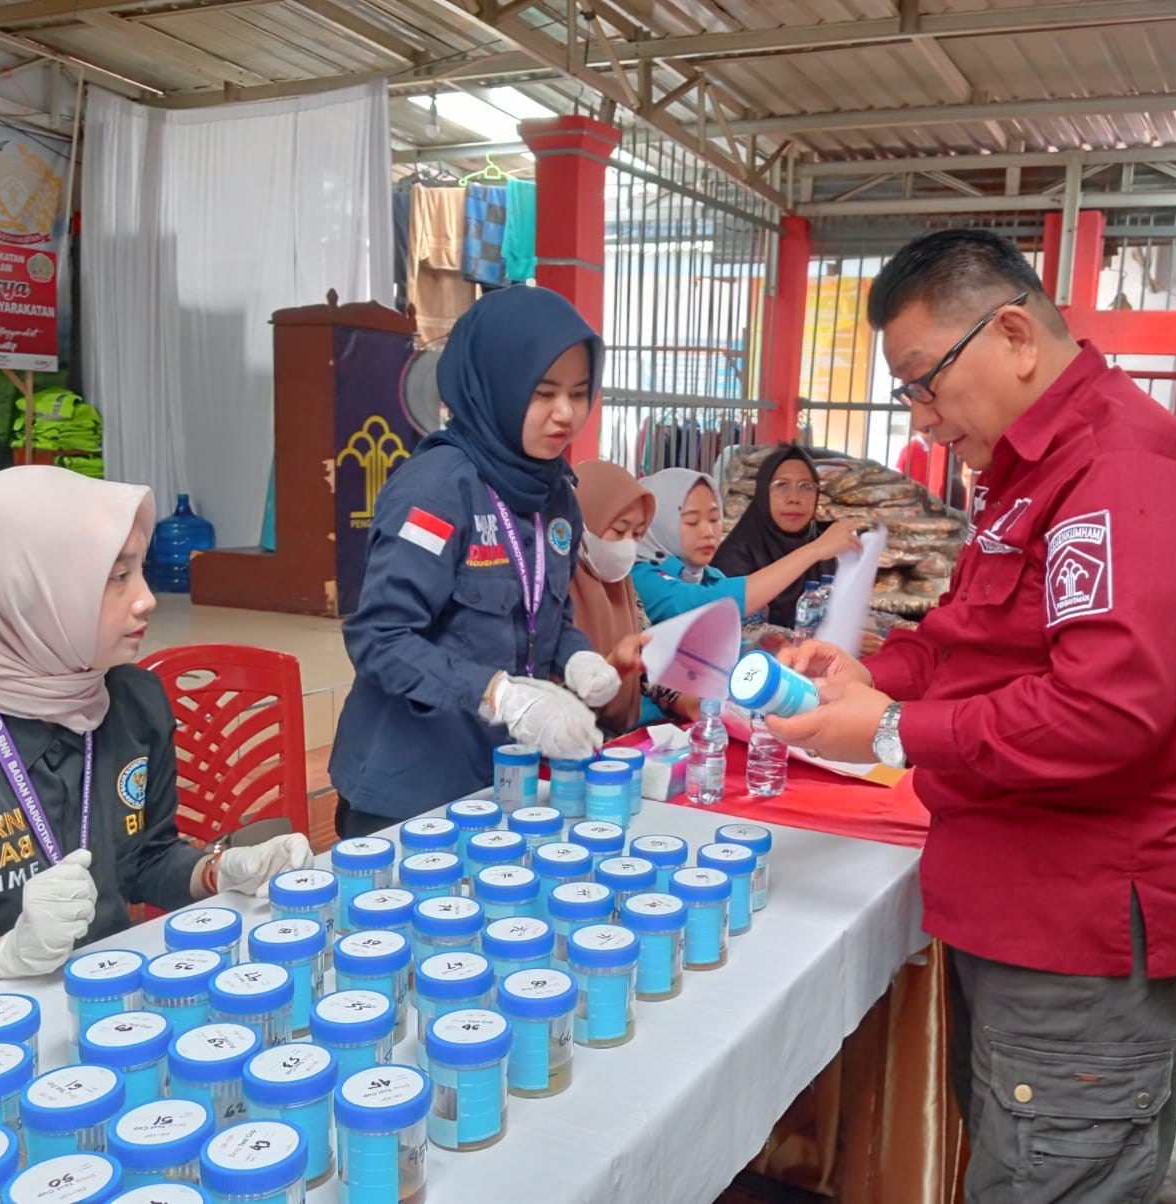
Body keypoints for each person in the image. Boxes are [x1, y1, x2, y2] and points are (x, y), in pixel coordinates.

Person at [767, 228, 1176, 1202]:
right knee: (1009, 1160)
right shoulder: (1031, 475)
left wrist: (890, 733)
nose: (923, 416)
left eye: (923, 381)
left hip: (1076, 923)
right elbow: (966, 637)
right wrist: (869, 672)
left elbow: (1106, 710)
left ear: (1015, 335)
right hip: (1016, 897)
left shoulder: (1122, 474)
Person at [0, 466, 311, 1004]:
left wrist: (218, 871)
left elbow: (142, 862)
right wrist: (4, 955)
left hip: (116, 1002)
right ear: (24, 592)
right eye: (117, 577)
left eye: (140, 571)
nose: (146, 599)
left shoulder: (133, 700)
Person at [330, 286, 622, 838]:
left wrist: (580, 658)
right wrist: (499, 694)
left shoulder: (553, 490)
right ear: (496, 386)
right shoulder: (438, 489)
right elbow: (381, 638)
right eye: (543, 393)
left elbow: (544, 616)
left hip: (497, 776)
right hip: (409, 789)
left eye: (580, 393)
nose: (566, 414)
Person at [630, 467, 861, 627]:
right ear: (657, 523)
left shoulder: (711, 576)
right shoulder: (641, 579)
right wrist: (815, 550)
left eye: (714, 519)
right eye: (691, 521)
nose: (708, 532)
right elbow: (710, 604)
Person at [569, 460, 656, 735]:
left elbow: (649, 662)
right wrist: (610, 670)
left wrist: (688, 701)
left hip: (615, 742)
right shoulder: (550, 588)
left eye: (638, 534)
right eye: (619, 530)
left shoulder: (624, 585)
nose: (627, 544)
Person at [713, 444, 836, 629]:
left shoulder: (824, 554)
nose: (794, 497)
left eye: (806, 487)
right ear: (763, 493)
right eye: (782, 485)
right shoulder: (735, 556)